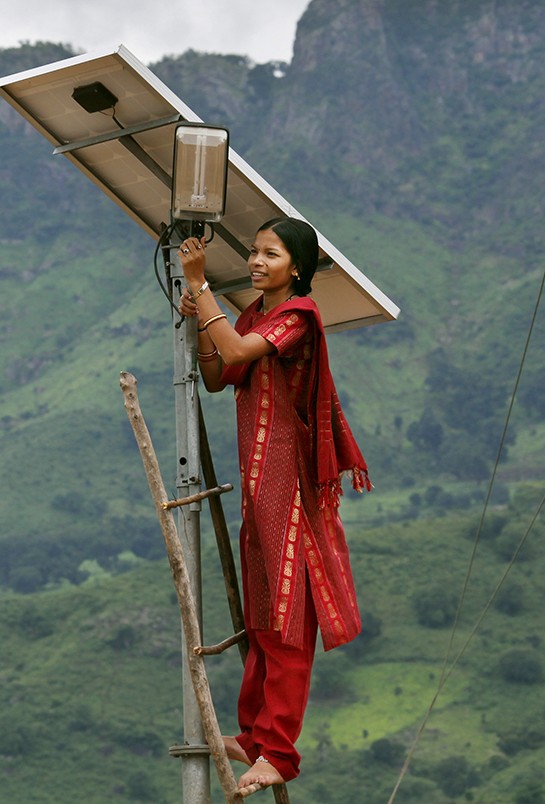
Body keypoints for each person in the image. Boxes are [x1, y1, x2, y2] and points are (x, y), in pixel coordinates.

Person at [176, 216, 370, 789]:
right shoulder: (255, 314)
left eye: (270, 254)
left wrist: (201, 286)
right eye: (256, 252)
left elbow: (236, 347)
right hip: (261, 488)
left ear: (298, 267)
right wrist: (201, 328)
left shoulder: (299, 317)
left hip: (295, 491)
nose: (257, 262)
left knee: (288, 621)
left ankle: (280, 753)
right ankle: (257, 737)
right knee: (262, 616)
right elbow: (221, 372)